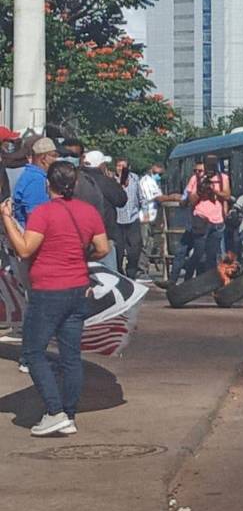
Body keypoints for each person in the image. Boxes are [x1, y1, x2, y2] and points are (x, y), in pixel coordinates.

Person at [0, 161, 111, 436]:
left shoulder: (43, 213)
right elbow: (102, 248)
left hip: (49, 290)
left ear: (47, 184)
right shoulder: (88, 212)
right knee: (71, 356)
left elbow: (25, 249)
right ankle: (69, 414)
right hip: (78, 290)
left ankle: (54, 410)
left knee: (33, 352)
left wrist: (6, 218)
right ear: (73, 185)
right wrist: (78, 257)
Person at [74, 151, 125, 273]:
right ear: (100, 165)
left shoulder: (77, 179)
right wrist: (116, 184)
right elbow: (121, 200)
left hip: (80, 233)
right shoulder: (105, 181)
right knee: (110, 274)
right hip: (104, 233)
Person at [185, 155, 231, 274]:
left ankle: (209, 283)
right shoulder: (196, 178)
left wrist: (213, 190)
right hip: (201, 219)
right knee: (198, 252)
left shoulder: (222, 178)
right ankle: (188, 276)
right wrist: (200, 190)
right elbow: (191, 200)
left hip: (217, 220)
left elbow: (227, 195)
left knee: (212, 255)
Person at [169, 163, 206, 285]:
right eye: (195, 170)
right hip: (193, 222)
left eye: (200, 171)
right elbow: (185, 201)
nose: (197, 173)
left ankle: (197, 280)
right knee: (181, 251)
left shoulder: (212, 182)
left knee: (202, 254)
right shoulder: (193, 180)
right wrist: (186, 200)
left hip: (207, 223)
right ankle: (172, 279)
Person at [11, 137, 57, 228]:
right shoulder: (36, 180)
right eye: (54, 155)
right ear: (43, 158)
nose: (56, 159)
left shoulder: (32, 176)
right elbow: (35, 215)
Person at [112, 158, 143, 279]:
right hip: (117, 219)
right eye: (118, 166)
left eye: (123, 166)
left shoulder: (135, 179)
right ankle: (119, 272)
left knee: (135, 248)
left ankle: (132, 273)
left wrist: (144, 211)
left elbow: (141, 197)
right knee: (118, 249)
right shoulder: (112, 180)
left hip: (133, 218)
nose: (120, 168)